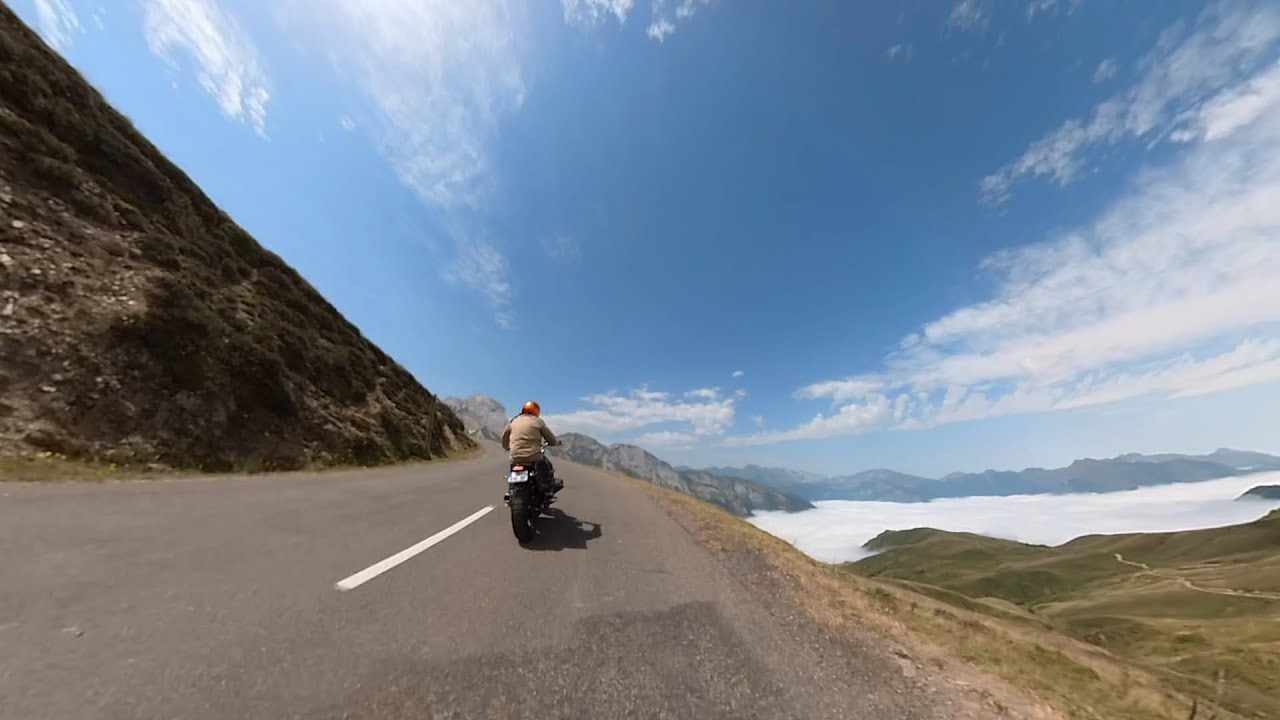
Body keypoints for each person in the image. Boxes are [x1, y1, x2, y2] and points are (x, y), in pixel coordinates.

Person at [501, 400, 563, 493]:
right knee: (547, 465)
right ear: (536, 411)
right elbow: (551, 439)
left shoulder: (514, 422)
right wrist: (555, 442)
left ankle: (511, 491)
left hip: (515, 456)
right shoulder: (538, 422)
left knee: (513, 470)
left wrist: (507, 447)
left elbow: (504, 437)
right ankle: (548, 487)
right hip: (534, 456)